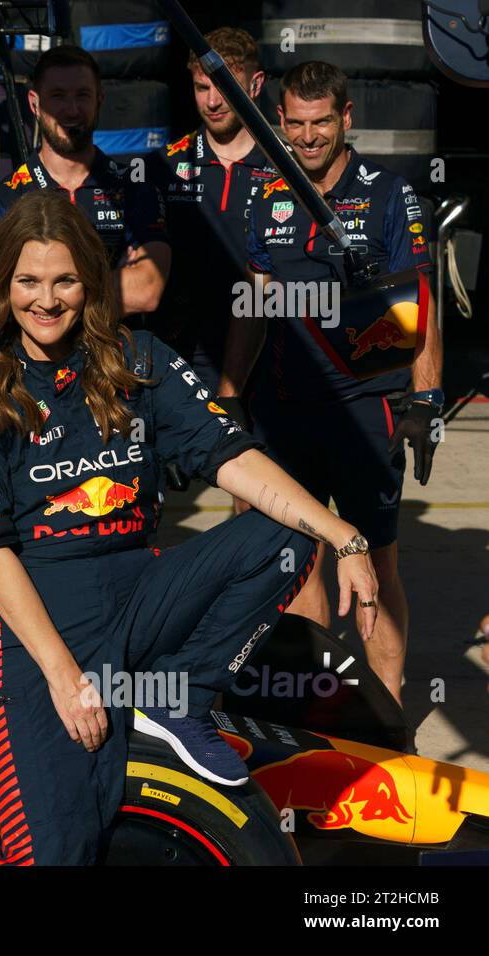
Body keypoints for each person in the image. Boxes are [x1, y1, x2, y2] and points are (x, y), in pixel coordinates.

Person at [0, 189, 379, 865]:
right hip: (32, 624)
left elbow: (230, 456)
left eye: (64, 281)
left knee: (288, 529)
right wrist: (63, 676)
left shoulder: (139, 361)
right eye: (27, 282)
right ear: (3, 287)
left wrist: (346, 538)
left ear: (92, 282)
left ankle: (183, 700)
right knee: (54, 851)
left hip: (137, 591)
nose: (45, 301)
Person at [231, 61, 441, 704]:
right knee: (294, 562)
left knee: (377, 565)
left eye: (321, 123)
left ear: (346, 118)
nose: (308, 136)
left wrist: (426, 398)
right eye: (295, 124)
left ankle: (387, 716)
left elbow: (420, 304)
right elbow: (253, 301)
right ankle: (313, 707)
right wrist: (228, 393)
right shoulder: (263, 193)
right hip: (284, 407)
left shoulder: (387, 193)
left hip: (363, 410)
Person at [0, 45, 170, 316]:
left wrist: (35, 294)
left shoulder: (135, 187)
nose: (72, 109)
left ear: (100, 98)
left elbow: (146, 292)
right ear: (34, 104)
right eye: (58, 96)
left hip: (116, 355)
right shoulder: (4, 195)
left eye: (82, 95)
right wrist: (112, 280)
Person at [148, 27, 278, 413]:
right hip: (182, 355)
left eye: (225, 86)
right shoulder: (164, 166)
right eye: (202, 87)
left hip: (274, 357)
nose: (213, 101)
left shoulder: (287, 168)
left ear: (255, 85)